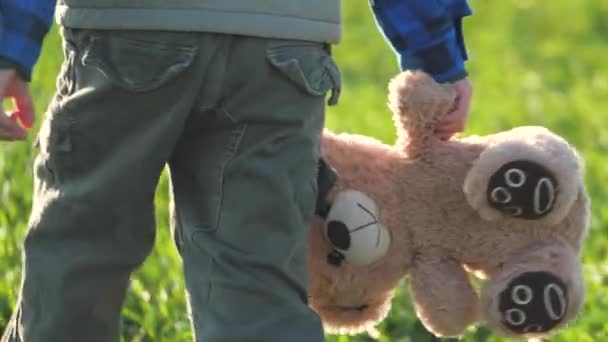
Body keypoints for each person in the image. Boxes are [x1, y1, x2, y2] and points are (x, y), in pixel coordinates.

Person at [0, 0, 472, 341]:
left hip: (129, 30)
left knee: (83, 244)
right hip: (284, 44)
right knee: (258, 273)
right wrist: (437, 57)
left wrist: (10, 45)